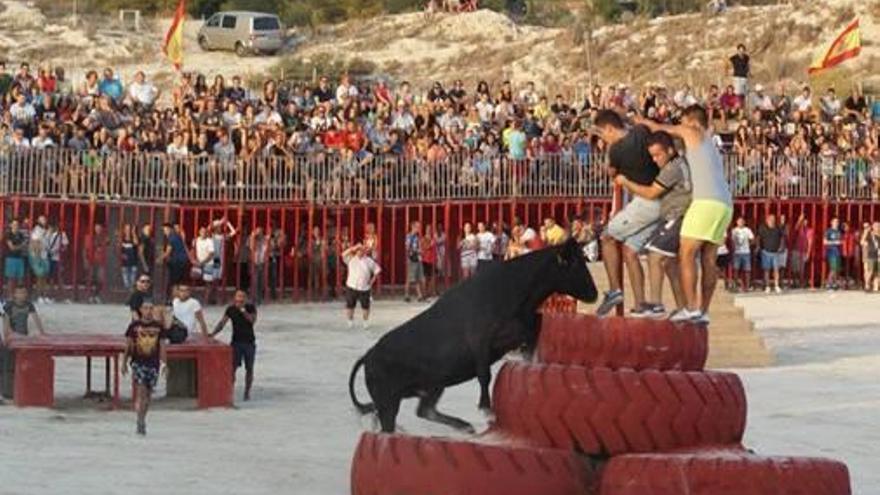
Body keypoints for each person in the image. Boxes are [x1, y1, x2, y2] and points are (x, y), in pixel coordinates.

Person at [636, 105, 733, 323]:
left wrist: (643, 122)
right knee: (709, 259)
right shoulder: (710, 142)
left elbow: (661, 128)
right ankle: (703, 311)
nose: (681, 125)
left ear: (692, 121)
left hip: (705, 201)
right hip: (724, 204)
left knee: (686, 254)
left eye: (683, 121)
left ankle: (690, 308)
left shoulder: (693, 131)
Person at [615, 130, 692, 318]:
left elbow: (651, 193)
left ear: (671, 150)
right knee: (670, 265)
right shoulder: (680, 163)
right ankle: (684, 308)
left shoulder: (672, 168)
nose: (655, 159)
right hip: (679, 215)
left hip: (677, 216)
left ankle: (656, 304)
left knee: (655, 255)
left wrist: (626, 182)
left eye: (658, 155)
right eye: (652, 156)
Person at [593, 110, 661, 317]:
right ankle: (640, 303)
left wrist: (606, 152)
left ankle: (615, 291)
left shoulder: (616, 150)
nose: (603, 139)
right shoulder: (641, 132)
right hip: (662, 198)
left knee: (606, 237)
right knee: (630, 251)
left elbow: (612, 173)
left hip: (646, 201)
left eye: (602, 134)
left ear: (609, 129)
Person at [122, 299, 168, 435]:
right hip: (138, 362)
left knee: (148, 395)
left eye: (150, 308)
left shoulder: (159, 327)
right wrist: (124, 362)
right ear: (141, 310)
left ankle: (142, 417)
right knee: (141, 392)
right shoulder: (134, 326)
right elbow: (128, 345)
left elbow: (162, 347)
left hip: (153, 364)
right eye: (145, 308)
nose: (148, 311)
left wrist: (164, 363)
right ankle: (140, 421)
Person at [211, 290, 257, 401]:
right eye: (238, 296)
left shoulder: (250, 308)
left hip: (249, 342)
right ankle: (230, 391)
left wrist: (243, 310)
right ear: (234, 298)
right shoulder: (230, 309)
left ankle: (247, 392)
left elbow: (252, 321)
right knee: (232, 368)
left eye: (242, 297)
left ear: (245, 298)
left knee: (249, 368)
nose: (240, 299)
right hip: (236, 342)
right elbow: (222, 323)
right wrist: (213, 333)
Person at [342, 243, 382, 329]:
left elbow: (377, 270)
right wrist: (354, 247)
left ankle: (365, 322)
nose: (360, 252)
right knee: (350, 306)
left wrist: (372, 281)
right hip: (352, 286)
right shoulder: (351, 259)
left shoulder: (369, 260)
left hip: (364, 288)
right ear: (356, 251)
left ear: (364, 252)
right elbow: (343, 254)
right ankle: (350, 321)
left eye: (361, 250)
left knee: (365, 307)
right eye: (358, 250)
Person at [757, 214, 785, 294]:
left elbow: (782, 237)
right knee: (767, 270)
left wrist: (781, 246)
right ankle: (767, 286)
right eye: (771, 219)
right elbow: (758, 237)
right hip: (766, 252)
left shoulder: (778, 228)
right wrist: (758, 247)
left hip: (775, 253)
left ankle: (776, 286)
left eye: (773, 219)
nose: (772, 221)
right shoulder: (763, 228)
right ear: (767, 220)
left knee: (776, 270)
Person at [161, 223, 189, 301]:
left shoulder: (171, 238)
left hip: (177, 263)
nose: (165, 232)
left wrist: (159, 258)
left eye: (166, 230)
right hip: (182, 262)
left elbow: (167, 252)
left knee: (174, 283)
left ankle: (174, 300)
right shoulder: (177, 237)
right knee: (178, 282)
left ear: (170, 229)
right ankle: (177, 299)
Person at [83, 223, 109, 303]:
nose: (98, 229)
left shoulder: (104, 238)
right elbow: (85, 249)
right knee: (90, 279)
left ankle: (96, 295)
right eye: (96, 228)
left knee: (100, 279)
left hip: (100, 261)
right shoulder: (89, 237)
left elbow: (108, 246)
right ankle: (90, 296)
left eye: (99, 228)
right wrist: (85, 260)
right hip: (91, 260)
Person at [28, 215, 51, 304]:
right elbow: (35, 243)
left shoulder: (46, 230)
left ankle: (44, 295)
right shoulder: (36, 230)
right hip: (38, 256)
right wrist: (37, 257)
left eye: (44, 219)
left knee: (45, 277)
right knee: (39, 277)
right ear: (38, 221)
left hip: (45, 255)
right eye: (42, 220)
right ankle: (39, 296)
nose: (44, 221)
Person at [730, 217, 755, 292]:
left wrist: (748, 245)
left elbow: (752, 239)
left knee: (747, 270)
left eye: (742, 221)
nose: (740, 223)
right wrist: (734, 247)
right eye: (739, 221)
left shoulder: (747, 230)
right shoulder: (734, 230)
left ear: (744, 222)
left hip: (746, 252)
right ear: (737, 222)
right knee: (736, 269)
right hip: (737, 253)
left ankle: (747, 286)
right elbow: (732, 241)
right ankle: (735, 286)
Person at [4, 219, 28, 298]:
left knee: (20, 279)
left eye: (17, 224)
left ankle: (18, 296)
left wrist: (19, 246)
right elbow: (12, 248)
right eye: (14, 224)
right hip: (11, 258)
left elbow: (25, 246)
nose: (15, 226)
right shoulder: (8, 234)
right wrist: (21, 246)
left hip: (20, 258)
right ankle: (9, 296)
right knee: (11, 279)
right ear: (10, 225)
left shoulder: (21, 234)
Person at [790, 214, 814, 289]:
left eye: (805, 221)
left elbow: (810, 242)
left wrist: (808, 253)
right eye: (803, 221)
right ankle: (794, 282)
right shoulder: (799, 228)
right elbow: (795, 228)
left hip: (803, 251)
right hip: (796, 250)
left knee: (801, 269)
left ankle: (801, 283)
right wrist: (799, 220)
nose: (804, 222)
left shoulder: (810, 230)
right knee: (794, 268)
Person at [193, 227, 216, 302]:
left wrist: (202, 262)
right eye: (202, 231)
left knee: (208, 282)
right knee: (195, 278)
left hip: (208, 263)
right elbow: (192, 250)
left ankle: (206, 299)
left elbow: (211, 254)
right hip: (198, 263)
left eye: (205, 232)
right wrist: (194, 260)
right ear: (199, 232)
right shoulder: (196, 240)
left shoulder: (209, 241)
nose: (203, 233)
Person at [404, 221, 424, 302]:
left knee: (417, 277)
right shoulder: (409, 236)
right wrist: (417, 251)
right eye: (417, 227)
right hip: (412, 259)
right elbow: (408, 248)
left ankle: (419, 295)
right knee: (410, 277)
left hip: (418, 258)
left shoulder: (417, 237)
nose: (419, 229)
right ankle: (407, 295)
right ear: (413, 227)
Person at [119, 224, 140, 292]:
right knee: (125, 276)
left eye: (129, 229)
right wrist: (122, 255)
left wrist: (134, 233)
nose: (128, 230)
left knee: (132, 276)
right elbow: (119, 248)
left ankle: (131, 288)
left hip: (133, 261)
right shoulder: (122, 238)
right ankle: (127, 288)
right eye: (126, 229)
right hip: (125, 262)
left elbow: (136, 243)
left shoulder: (133, 237)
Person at [823, 217, 842, 290]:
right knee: (833, 268)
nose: (836, 223)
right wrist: (834, 242)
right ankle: (829, 283)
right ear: (831, 222)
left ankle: (834, 283)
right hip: (831, 252)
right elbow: (824, 242)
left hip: (838, 252)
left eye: (837, 222)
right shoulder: (828, 231)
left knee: (837, 269)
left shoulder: (839, 232)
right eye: (835, 222)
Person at [863, 222, 880, 292]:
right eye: (876, 226)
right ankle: (867, 285)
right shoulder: (870, 234)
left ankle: (876, 287)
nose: (877, 227)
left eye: (878, 226)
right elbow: (863, 241)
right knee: (870, 271)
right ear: (873, 227)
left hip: (878, 256)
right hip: (871, 255)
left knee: (877, 272)